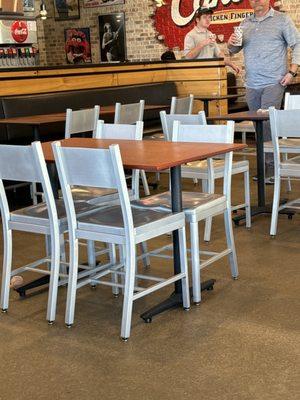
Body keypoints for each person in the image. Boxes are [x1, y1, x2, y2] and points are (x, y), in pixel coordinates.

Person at [228, 0, 300, 180]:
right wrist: (231, 43)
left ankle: (271, 170)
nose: (256, 1)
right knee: (259, 127)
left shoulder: (281, 20)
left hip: (274, 82)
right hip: (252, 84)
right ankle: (266, 167)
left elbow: (297, 44)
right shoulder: (245, 23)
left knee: (267, 124)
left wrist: (292, 71)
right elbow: (234, 50)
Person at [184, 7, 240, 73]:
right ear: (197, 20)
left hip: (211, 73)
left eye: (209, 17)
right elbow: (187, 57)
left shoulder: (210, 34)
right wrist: (201, 45)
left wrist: (232, 65)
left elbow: (219, 54)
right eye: (204, 17)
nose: (208, 20)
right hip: (197, 75)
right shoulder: (190, 35)